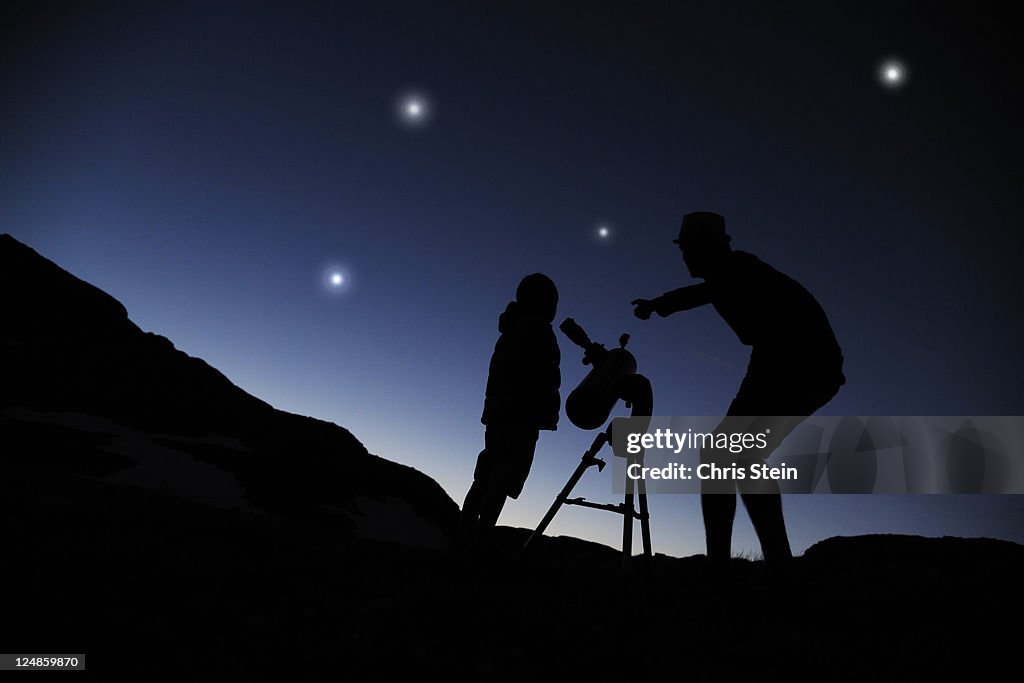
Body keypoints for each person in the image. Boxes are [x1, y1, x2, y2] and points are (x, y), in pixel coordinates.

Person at [632, 211, 844, 566]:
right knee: (734, 458)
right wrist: (660, 305)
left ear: (708, 247)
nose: (683, 256)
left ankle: (731, 564)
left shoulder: (735, 268)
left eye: (688, 248)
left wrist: (659, 305)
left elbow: (703, 292)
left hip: (797, 363)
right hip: (783, 361)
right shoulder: (730, 273)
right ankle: (771, 559)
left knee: (724, 456)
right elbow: (710, 293)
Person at [458, 273, 561, 551]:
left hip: (503, 413)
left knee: (491, 472)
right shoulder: (533, 330)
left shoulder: (515, 328)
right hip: (519, 416)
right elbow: (538, 377)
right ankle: (478, 535)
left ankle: (469, 530)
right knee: (503, 476)